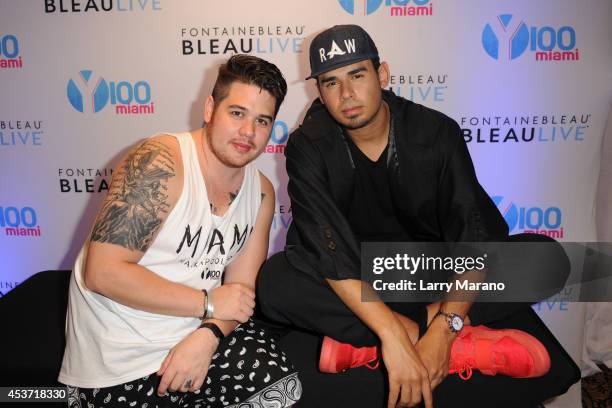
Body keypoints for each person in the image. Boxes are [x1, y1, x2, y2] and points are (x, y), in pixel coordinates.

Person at [256, 25, 575, 408]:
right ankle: (423, 342)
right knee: (276, 281)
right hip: (358, 284)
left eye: (357, 75)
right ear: (319, 92)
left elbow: (474, 239)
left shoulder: (436, 132)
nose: (346, 94)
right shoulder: (308, 145)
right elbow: (330, 255)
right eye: (331, 83)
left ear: (383, 75)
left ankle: (371, 344)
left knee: (546, 259)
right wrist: (392, 332)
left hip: (430, 274)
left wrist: (444, 328)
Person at [59, 55, 302, 408]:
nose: (248, 132)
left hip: (197, 330)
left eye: (261, 120)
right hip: (119, 356)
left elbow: (239, 292)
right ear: (209, 109)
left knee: (280, 392)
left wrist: (209, 334)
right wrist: (206, 303)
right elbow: (102, 272)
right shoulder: (160, 162)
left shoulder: (261, 192)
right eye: (237, 113)